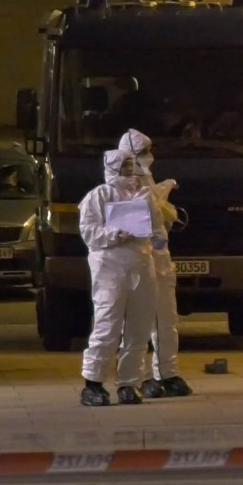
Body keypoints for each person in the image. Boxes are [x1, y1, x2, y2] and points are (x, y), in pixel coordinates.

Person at [78, 149, 160, 407]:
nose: (129, 170)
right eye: (124, 166)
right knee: (107, 325)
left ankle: (129, 383)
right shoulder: (98, 195)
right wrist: (113, 234)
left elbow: (156, 226)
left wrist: (152, 206)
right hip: (110, 267)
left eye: (130, 165)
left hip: (141, 264)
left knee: (139, 328)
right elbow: (88, 232)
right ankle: (93, 383)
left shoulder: (142, 193)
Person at [119, 128, 193, 398]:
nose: (149, 156)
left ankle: (167, 373)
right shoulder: (121, 185)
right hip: (138, 262)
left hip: (158, 260)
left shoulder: (145, 178)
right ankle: (141, 378)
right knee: (137, 324)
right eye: (143, 152)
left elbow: (155, 218)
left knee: (165, 319)